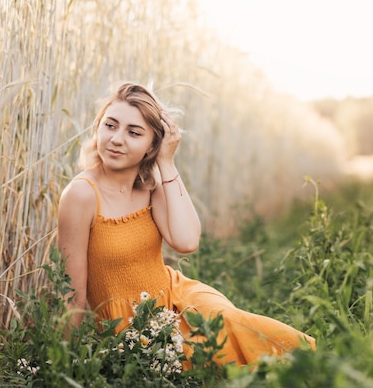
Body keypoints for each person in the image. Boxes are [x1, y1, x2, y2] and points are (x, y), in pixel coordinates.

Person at [57, 82, 316, 367]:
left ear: (151, 145)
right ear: (98, 128)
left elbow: (187, 241)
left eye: (134, 133)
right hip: (136, 329)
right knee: (211, 364)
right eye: (110, 125)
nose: (117, 139)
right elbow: (73, 294)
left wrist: (167, 162)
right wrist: (66, 368)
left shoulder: (150, 184)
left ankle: (333, 369)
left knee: (259, 335)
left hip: (180, 296)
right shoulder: (81, 195)